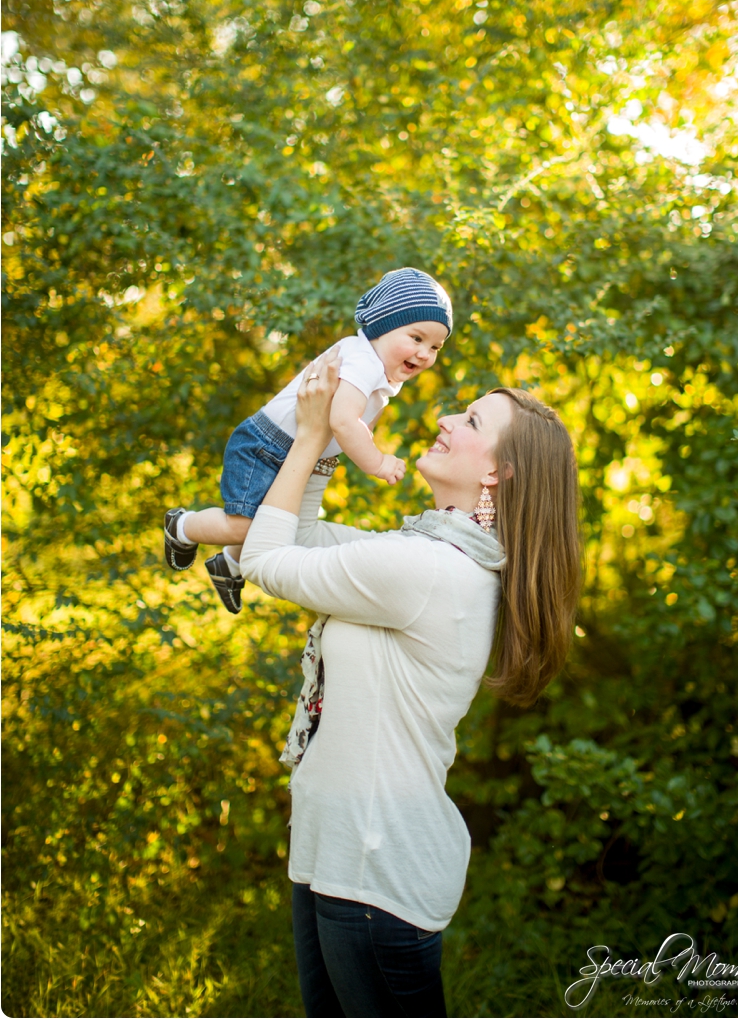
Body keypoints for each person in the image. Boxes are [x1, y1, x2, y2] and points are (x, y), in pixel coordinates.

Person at [238, 348, 583, 1018]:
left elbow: (267, 558)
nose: (447, 417)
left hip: (375, 875)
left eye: (473, 419)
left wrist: (312, 434)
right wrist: (335, 433)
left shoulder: (431, 570)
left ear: (496, 471)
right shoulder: (426, 555)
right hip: (335, 855)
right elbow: (298, 533)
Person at [163, 267, 452, 614]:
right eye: (416, 338)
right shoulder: (362, 361)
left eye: (435, 346)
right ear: (383, 325)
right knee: (244, 525)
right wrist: (377, 462)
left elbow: (356, 422)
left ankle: (230, 564)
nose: (424, 353)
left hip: (295, 452)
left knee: (284, 528)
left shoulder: (382, 371)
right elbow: (344, 422)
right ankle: (181, 526)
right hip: (265, 447)